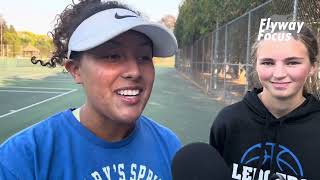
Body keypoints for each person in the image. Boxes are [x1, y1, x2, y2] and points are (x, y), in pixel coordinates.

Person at [0, 0, 181, 179]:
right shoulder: (22, 160)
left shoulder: (169, 145)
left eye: (143, 57)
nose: (134, 71)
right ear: (76, 70)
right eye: (113, 56)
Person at [210, 24, 320, 179]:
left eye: (292, 62)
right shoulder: (229, 122)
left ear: (312, 67)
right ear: (256, 65)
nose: (279, 74)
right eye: (268, 62)